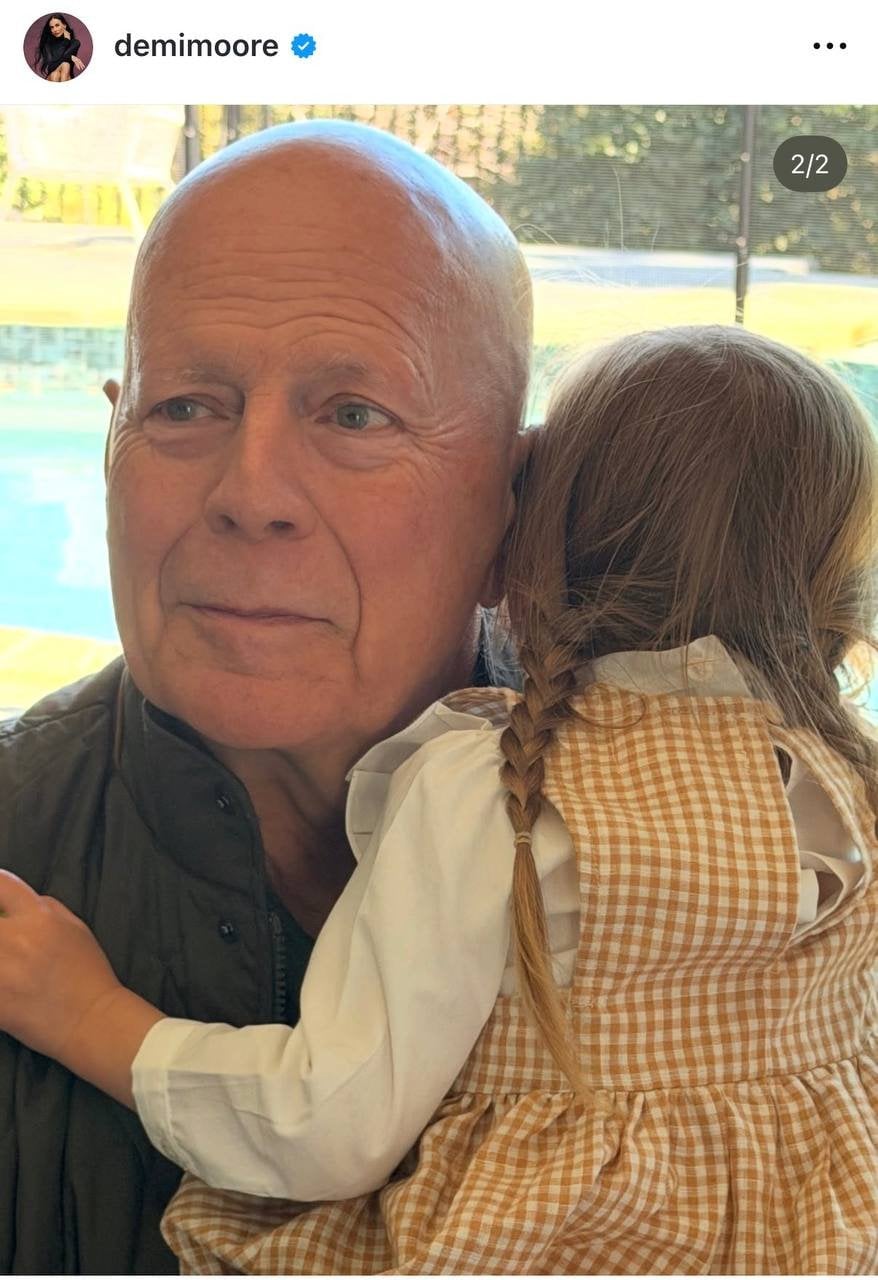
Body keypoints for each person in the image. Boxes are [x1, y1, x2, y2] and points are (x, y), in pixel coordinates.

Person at [2, 325, 877, 1274]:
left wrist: (89, 1016)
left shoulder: (496, 792)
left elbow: (331, 1123)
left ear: (517, 539)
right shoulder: (848, 789)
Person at [0, 121, 533, 1274]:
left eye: (353, 414)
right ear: (110, 444)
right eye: (186, 406)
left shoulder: (737, 881)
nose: (252, 493)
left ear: (512, 510)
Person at [33, 13, 85, 81]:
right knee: (56, 73)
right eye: (52, 27)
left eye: (57, 25)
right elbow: (51, 66)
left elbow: (59, 57)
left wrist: (66, 42)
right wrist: (70, 56)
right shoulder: (48, 44)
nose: (54, 29)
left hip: (67, 77)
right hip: (52, 77)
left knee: (65, 65)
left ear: (64, 25)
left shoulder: (75, 43)